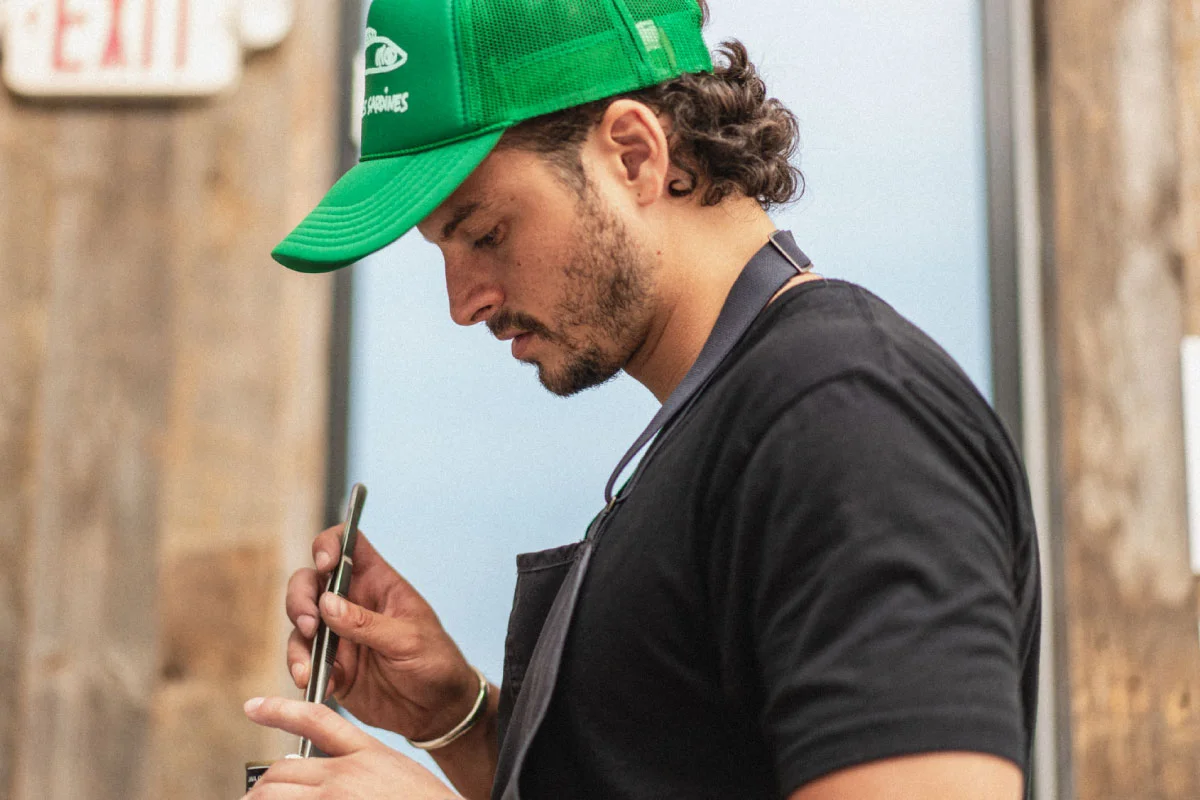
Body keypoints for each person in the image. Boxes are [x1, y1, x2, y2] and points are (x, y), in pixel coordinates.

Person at [242, 0, 1041, 798]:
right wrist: (463, 720)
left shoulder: (846, 420)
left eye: (485, 233)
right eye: (442, 251)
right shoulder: (731, 422)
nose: (465, 302)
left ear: (633, 154)